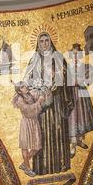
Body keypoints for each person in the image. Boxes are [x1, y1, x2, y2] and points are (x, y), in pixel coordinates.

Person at [24, 32, 74, 175]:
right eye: (42, 41)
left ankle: (61, 165)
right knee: (42, 133)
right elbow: (28, 80)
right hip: (41, 104)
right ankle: (42, 168)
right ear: (38, 44)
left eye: (47, 41)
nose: (45, 43)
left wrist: (57, 85)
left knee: (58, 130)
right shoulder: (34, 60)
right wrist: (37, 89)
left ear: (50, 42)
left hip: (57, 101)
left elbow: (67, 76)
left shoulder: (58, 58)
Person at [67, 43, 93, 158]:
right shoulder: (67, 67)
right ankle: (72, 144)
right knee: (73, 117)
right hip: (71, 94)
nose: (75, 57)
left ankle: (79, 140)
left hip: (82, 93)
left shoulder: (85, 66)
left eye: (77, 54)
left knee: (83, 116)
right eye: (73, 54)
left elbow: (88, 82)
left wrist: (85, 78)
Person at [12, 81, 45, 177]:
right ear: (19, 90)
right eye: (22, 87)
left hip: (34, 122)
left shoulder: (30, 95)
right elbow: (28, 110)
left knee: (36, 147)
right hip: (26, 123)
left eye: (25, 86)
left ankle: (24, 164)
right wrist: (38, 102)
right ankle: (27, 168)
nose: (25, 87)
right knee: (25, 146)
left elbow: (39, 94)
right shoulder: (19, 99)